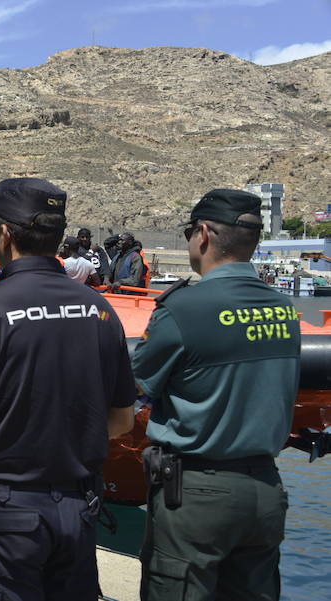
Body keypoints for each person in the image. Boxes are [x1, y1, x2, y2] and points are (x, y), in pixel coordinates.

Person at [0, 177, 136, 601]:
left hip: (6, 514)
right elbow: (122, 421)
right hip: (80, 510)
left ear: (3, 235)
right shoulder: (99, 309)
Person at [132, 189, 300, 601]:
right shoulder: (284, 310)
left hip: (196, 496)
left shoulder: (182, 309)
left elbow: (133, 388)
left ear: (203, 234)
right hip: (265, 491)